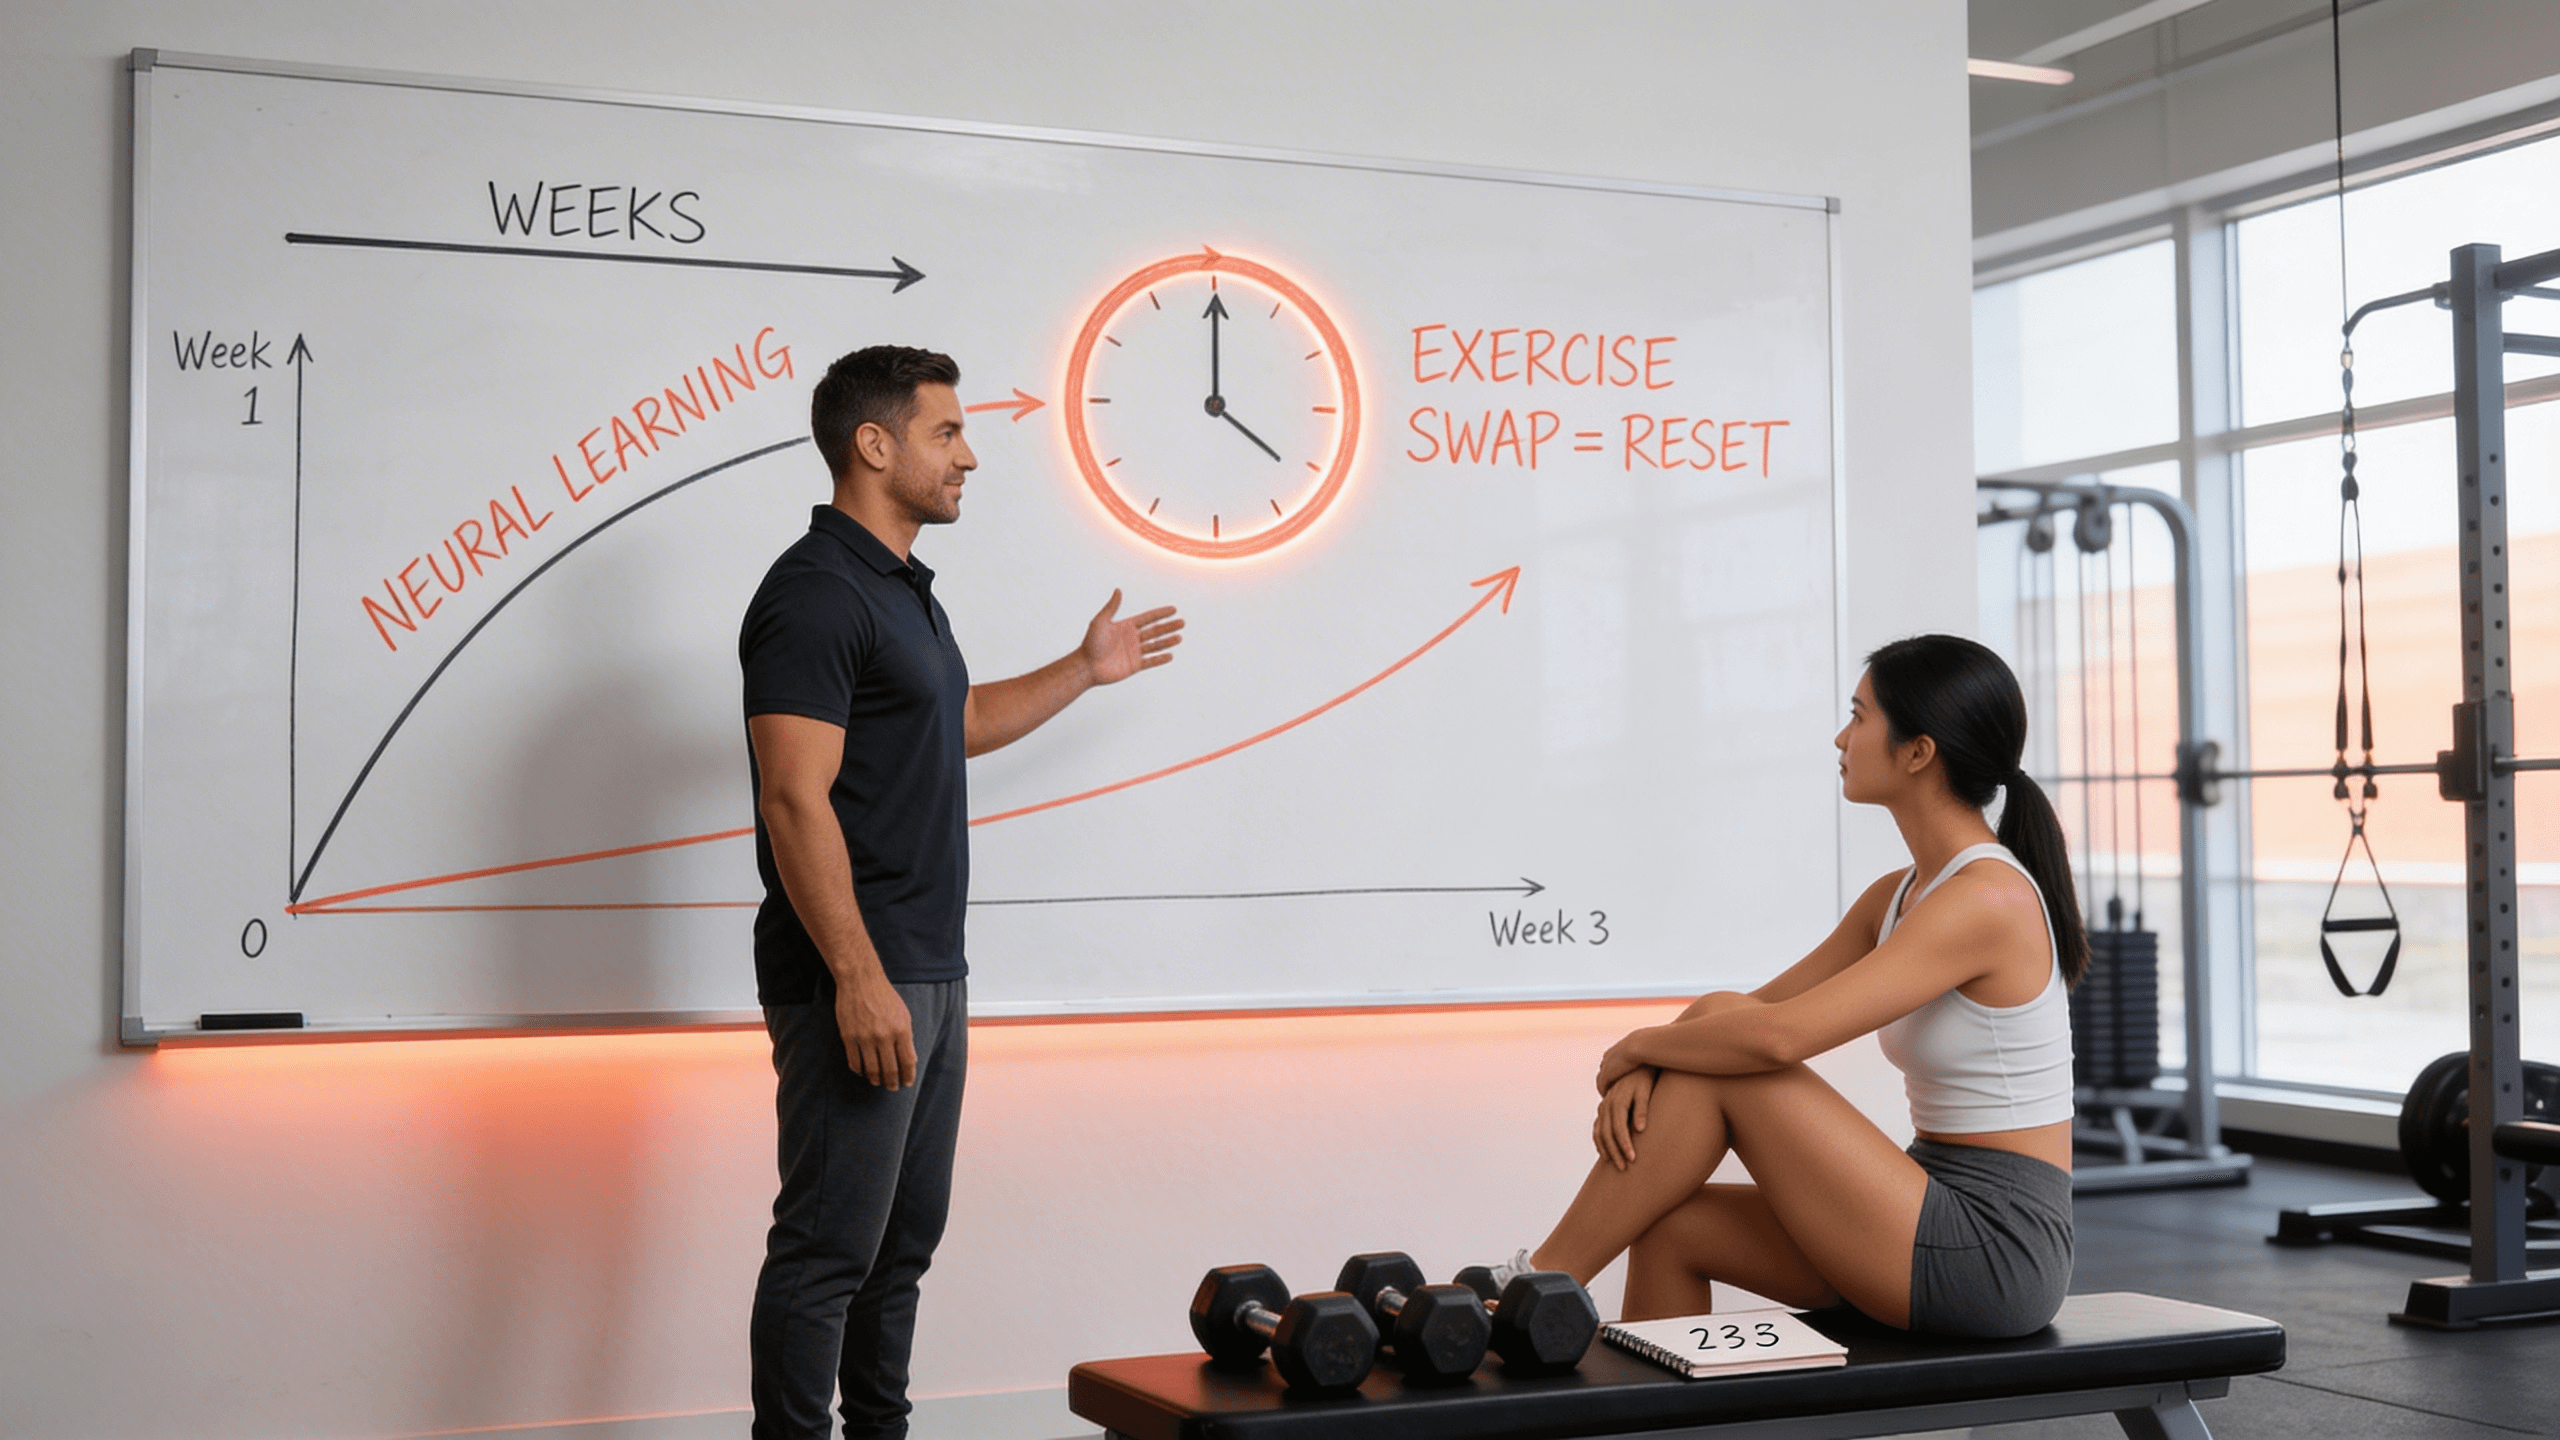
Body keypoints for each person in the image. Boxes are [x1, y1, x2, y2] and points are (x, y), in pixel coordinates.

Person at [738, 345, 1182, 1440]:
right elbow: (794, 800)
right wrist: (856, 978)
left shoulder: (899, 593)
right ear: (872, 445)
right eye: (946, 433)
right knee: (828, 1249)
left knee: (899, 1249)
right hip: (862, 974)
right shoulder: (814, 594)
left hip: (929, 969)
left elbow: (955, 727)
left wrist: (1084, 670)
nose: (969, 455)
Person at [1474, 634, 2084, 1340]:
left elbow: (1778, 1039)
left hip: (1994, 1249)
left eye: (1859, 718)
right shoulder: (1899, 895)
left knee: (1739, 1069)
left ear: (1917, 752)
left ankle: (1537, 1288)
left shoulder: (1987, 899)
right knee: (1673, 1222)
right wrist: (1656, 1058)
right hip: (1924, 1206)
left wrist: (1639, 1046)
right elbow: (1747, 1011)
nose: (1840, 736)